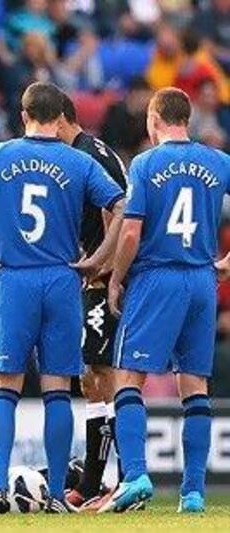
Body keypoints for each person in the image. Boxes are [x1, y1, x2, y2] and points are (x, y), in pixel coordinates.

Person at [0, 82, 126, 513]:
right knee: (58, 389)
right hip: (62, 280)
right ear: (59, 116)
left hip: (13, 278)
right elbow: (122, 205)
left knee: (5, 388)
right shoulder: (78, 161)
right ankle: (58, 495)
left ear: (23, 114)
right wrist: (97, 260)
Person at [104, 87, 230, 514]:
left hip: (157, 276)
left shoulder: (146, 162)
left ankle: (136, 474)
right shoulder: (218, 161)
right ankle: (193, 493)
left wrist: (117, 278)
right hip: (202, 279)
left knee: (127, 377)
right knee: (194, 386)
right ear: (187, 120)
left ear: (154, 120)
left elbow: (131, 233)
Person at [57, 94, 128, 510]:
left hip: (103, 280)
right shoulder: (92, 149)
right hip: (99, 277)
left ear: (63, 121)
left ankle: (119, 479)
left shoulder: (88, 154)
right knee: (92, 376)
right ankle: (95, 480)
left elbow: (114, 212)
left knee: (105, 373)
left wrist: (103, 270)